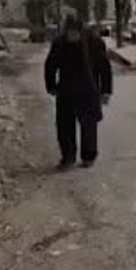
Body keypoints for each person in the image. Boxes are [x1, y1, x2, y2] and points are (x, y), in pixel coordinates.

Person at [45, 14, 113, 170]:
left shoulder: (94, 42)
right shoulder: (60, 43)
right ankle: (68, 157)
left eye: (74, 33)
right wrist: (51, 86)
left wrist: (106, 91)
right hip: (66, 90)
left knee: (89, 125)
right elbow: (50, 66)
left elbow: (104, 68)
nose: (72, 36)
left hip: (88, 89)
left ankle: (88, 156)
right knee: (64, 125)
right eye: (69, 33)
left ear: (80, 31)